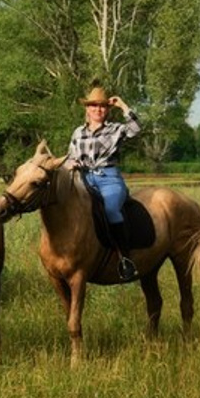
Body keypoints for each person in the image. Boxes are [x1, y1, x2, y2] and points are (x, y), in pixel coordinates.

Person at [65, 82, 142, 282]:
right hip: (84, 178)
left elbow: (135, 129)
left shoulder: (115, 129)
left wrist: (123, 106)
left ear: (107, 109)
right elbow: (70, 157)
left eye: (102, 106)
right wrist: (71, 163)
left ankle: (125, 259)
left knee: (111, 210)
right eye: (93, 105)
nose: (98, 109)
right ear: (87, 109)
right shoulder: (78, 132)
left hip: (109, 179)